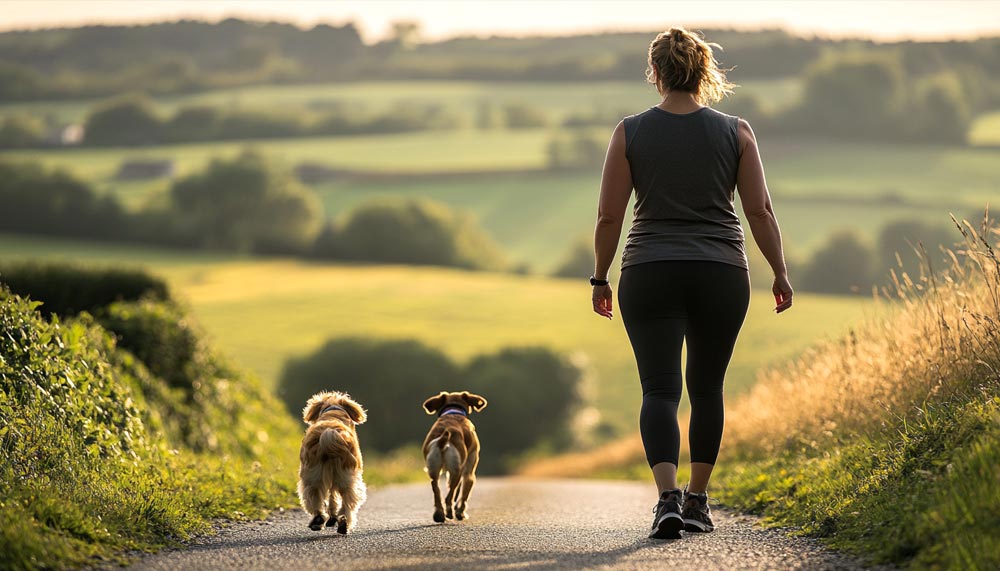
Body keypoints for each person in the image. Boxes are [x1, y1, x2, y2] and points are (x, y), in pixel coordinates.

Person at [589, 27, 793, 540]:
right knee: (707, 388)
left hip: (649, 269)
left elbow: (610, 215)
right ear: (705, 73)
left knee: (659, 388)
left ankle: (666, 501)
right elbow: (759, 211)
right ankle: (698, 500)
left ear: (655, 74)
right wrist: (779, 271)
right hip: (720, 271)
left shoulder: (629, 132)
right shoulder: (737, 131)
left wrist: (600, 276)